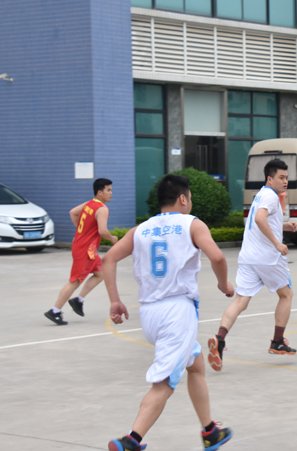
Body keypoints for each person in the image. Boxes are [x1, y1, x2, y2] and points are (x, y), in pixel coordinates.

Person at [102, 174, 234, 451]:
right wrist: (224, 284)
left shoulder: (141, 230)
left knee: (195, 365)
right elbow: (218, 257)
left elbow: (109, 258)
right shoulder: (192, 224)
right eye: (190, 198)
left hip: (149, 313)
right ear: (183, 199)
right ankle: (131, 440)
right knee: (163, 384)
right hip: (177, 314)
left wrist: (115, 300)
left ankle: (210, 431)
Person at [208, 158, 297, 371]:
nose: (285, 181)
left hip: (248, 257)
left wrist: (284, 225)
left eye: (286, 177)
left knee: (241, 301)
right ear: (270, 179)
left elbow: (261, 220)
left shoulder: (260, 195)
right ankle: (278, 341)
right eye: (281, 177)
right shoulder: (271, 196)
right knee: (286, 295)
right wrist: (277, 243)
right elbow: (259, 219)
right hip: (268, 258)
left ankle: (219, 339)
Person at [44, 178, 118, 325]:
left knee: (100, 274)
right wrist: (113, 239)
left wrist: (82, 231)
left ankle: (78, 300)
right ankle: (55, 311)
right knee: (75, 281)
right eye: (108, 190)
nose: (111, 193)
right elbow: (103, 231)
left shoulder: (90, 203)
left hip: (84, 247)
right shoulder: (102, 209)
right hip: (85, 250)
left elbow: (73, 213)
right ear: (100, 192)